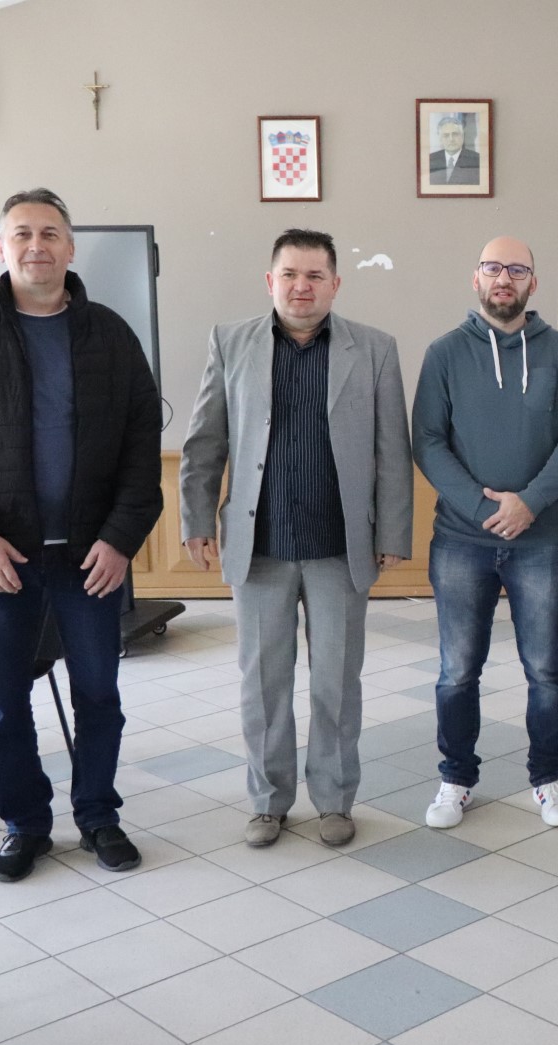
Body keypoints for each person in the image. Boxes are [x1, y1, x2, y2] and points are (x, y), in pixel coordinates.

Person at [0, 188, 163, 882]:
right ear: (2, 248)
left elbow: (142, 445)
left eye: (49, 233)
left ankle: (98, 815)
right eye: (21, 233)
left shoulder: (110, 334)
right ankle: (25, 825)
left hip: (91, 557)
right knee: (2, 701)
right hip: (0, 557)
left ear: (71, 248)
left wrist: (120, 539)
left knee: (99, 695)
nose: (36, 245)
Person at [180, 228, 412, 849]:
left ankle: (334, 799)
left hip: (340, 548)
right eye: (289, 274)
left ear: (335, 284)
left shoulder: (375, 349)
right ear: (270, 281)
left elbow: (393, 449)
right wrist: (196, 520)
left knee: (336, 683)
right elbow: (205, 441)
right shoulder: (231, 342)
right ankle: (267, 802)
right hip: (260, 547)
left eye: (314, 276)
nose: (301, 287)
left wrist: (393, 530)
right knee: (263, 685)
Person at [412, 237, 558, 828]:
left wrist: (529, 504)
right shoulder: (444, 353)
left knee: (545, 667)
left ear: (532, 283)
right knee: (457, 670)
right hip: (461, 540)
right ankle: (455, 779)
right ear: (476, 278)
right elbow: (427, 441)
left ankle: (548, 780)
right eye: (493, 268)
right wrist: (479, 507)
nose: (504, 278)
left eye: (517, 270)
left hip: (541, 540)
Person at [428, 117, 480, 185]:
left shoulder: (477, 160)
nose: (451, 139)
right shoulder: (430, 160)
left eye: (455, 134)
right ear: (440, 139)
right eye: (446, 135)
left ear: (462, 136)